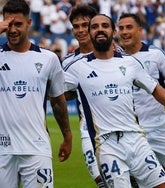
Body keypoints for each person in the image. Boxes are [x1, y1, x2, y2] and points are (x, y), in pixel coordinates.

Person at [0, 0, 72, 187]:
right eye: (8, 24)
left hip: (37, 149)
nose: (12, 29)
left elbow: (58, 101)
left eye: (18, 24)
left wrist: (67, 136)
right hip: (1, 150)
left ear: (29, 22)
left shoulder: (48, 58)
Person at [64, 14, 165, 188]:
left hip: (136, 138)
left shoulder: (130, 62)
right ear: (90, 34)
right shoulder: (76, 67)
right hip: (106, 143)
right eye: (95, 27)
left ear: (113, 32)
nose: (99, 29)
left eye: (105, 26)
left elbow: (155, 87)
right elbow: (56, 93)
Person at [117, 13, 165, 188]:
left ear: (139, 30)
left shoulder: (155, 54)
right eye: (121, 28)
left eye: (129, 27)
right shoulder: (114, 58)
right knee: (136, 179)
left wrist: (164, 96)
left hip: (159, 126)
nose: (124, 32)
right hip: (131, 130)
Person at [61, 5, 104, 187]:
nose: (80, 30)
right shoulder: (69, 62)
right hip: (88, 130)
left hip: (122, 128)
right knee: (101, 180)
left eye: (85, 25)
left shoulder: (116, 55)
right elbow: (65, 94)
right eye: (76, 26)